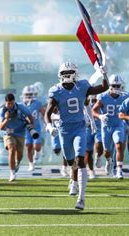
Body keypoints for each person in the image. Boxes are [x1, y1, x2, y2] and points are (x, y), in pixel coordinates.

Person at [44, 62, 108, 210]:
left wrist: (104, 74)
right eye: (64, 72)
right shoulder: (56, 91)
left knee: (80, 159)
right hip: (64, 130)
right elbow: (47, 113)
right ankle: (73, 181)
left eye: (69, 71)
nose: (67, 74)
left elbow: (103, 87)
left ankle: (81, 198)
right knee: (70, 160)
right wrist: (49, 126)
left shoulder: (82, 86)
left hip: (79, 127)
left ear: (75, 73)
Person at [92, 74, 129, 179]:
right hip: (106, 127)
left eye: (118, 86)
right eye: (114, 85)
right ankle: (109, 161)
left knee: (119, 145)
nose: (117, 88)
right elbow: (94, 110)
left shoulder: (126, 96)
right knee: (107, 151)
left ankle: (119, 170)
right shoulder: (103, 96)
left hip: (118, 125)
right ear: (110, 85)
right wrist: (100, 116)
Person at [0, 93, 35, 182]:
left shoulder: (20, 107)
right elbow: (1, 127)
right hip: (8, 133)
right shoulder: (2, 110)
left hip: (20, 132)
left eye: (12, 103)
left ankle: (17, 162)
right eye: (8, 104)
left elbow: (29, 115)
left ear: (14, 102)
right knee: (11, 148)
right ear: (6, 102)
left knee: (20, 154)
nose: (10, 105)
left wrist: (31, 125)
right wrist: (6, 119)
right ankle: (12, 173)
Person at [20, 85, 45, 172]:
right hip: (26, 129)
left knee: (37, 146)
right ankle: (31, 164)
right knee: (28, 146)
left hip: (35, 128)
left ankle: (38, 152)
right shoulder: (20, 104)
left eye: (30, 94)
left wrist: (47, 123)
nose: (28, 96)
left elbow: (43, 113)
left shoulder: (37, 103)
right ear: (23, 94)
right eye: (27, 94)